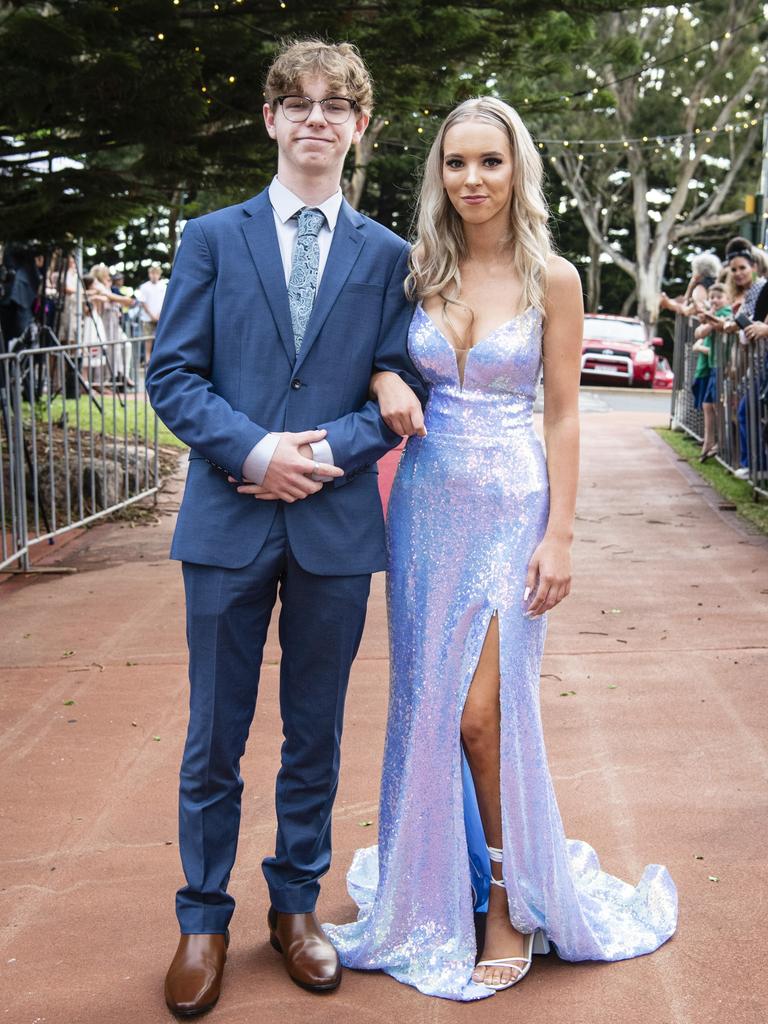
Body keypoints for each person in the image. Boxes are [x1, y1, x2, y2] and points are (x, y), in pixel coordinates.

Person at [324, 97, 678, 1001]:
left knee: (486, 715)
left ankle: (510, 903)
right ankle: (433, 884)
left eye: (489, 161)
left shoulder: (552, 276)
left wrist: (560, 535)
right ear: (437, 175)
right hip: (425, 506)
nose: (472, 179)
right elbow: (374, 355)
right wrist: (379, 375)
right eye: (455, 163)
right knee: (430, 707)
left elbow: (562, 411)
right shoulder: (417, 270)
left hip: (515, 508)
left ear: (517, 168)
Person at [146, 38, 424, 1016]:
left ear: (358, 125)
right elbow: (172, 375)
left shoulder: (391, 255)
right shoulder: (211, 239)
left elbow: (402, 379)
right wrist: (256, 452)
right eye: (297, 101)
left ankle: (296, 906)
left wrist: (325, 454)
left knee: (316, 732)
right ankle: (203, 916)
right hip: (227, 517)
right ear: (270, 119)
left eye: (335, 104)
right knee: (213, 733)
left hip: (337, 526)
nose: (316, 117)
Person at [691, 282, 731, 460]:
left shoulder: (726, 314)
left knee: (717, 405)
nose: (715, 300)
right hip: (714, 363)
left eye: (719, 297)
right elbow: (698, 333)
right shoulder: (713, 314)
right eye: (712, 297)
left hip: (723, 364)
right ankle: (709, 441)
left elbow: (707, 329)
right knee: (708, 404)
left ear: (728, 299)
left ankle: (722, 443)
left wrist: (710, 316)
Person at [659, 251, 720, 317]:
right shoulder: (716, 283)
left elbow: (693, 310)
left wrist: (668, 304)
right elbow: (686, 301)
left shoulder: (700, 289)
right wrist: (691, 286)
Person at [134, 263, 166, 362]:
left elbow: (165, 301)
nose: (154, 275)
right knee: (148, 342)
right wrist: (151, 315)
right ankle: (148, 363)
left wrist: (159, 314)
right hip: (147, 318)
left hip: (161, 317)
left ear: (159, 274)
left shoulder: (163, 286)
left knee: (161, 341)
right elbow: (143, 302)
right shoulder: (144, 287)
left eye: (156, 273)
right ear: (149, 274)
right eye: (152, 273)